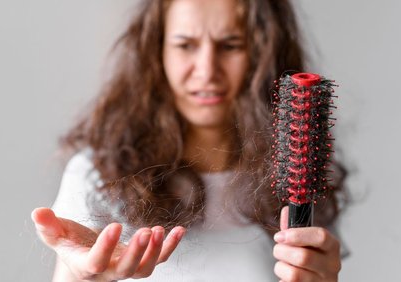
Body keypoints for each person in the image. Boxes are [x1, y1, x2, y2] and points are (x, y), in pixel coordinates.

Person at [31, 0, 346, 281]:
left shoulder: (297, 179)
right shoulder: (96, 174)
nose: (207, 70)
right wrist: (82, 274)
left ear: (262, 52)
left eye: (230, 45)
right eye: (185, 45)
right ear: (157, 52)